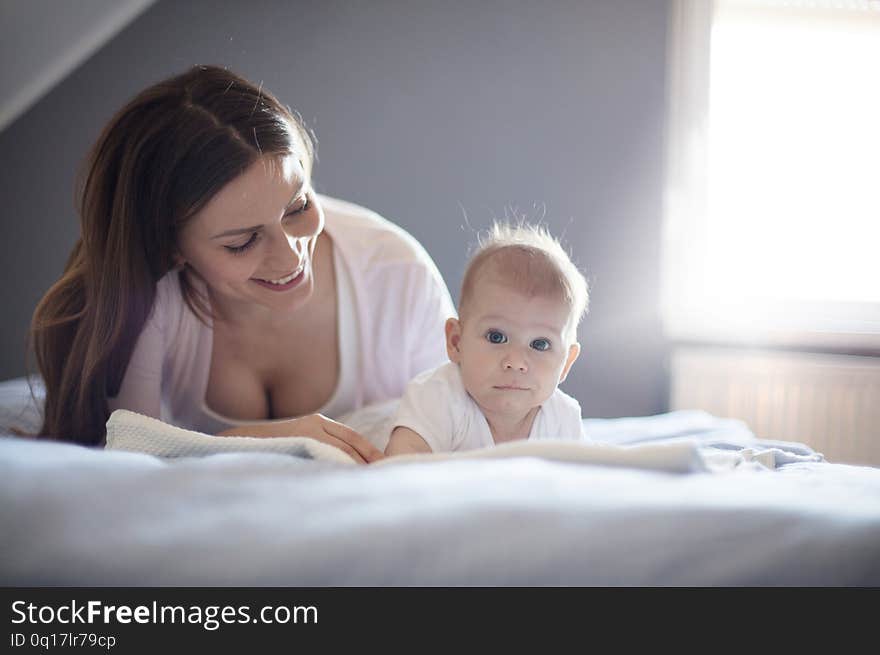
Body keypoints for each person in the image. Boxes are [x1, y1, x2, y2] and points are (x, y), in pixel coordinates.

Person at [29, 65, 455, 463]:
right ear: (171, 248)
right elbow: (129, 457)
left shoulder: (397, 275)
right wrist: (283, 439)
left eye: (298, 207)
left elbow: (472, 431)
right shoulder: (147, 298)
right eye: (242, 242)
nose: (290, 256)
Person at [384, 223, 589, 456]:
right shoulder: (438, 397)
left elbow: (582, 479)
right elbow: (401, 466)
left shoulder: (563, 418)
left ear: (567, 362)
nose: (516, 361)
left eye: (540, 344)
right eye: (497, 337)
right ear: (456, 342)